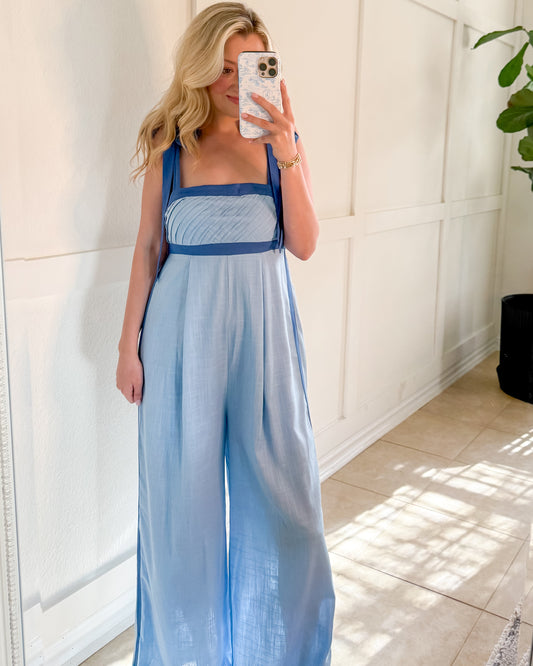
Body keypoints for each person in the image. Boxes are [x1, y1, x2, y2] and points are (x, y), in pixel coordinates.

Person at [116, 2, 336, 664]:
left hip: (264, 345)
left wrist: (287, 151)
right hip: (178, 343)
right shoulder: (169, 144)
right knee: (183, 515)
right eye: (226, 68)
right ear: (201, 66)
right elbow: (148, 247)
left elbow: (304, 245)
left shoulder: (280, 145)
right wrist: (128, 346)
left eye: (254, 66)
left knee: (290, 513)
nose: (239, 82)